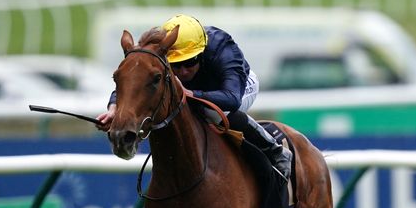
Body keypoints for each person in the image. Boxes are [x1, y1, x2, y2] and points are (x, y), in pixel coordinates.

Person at [97, 14, 292, 182]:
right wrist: (115, 108)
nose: (183, 70)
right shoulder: (158, 49)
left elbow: (232, 99)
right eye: (176, 64)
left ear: (201, 52)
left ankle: (274, 150)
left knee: (210, 111)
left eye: (190, 62)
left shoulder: (222, 47)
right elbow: (136, 79)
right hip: (191, 89)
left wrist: (190, 94)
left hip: (236, 87)